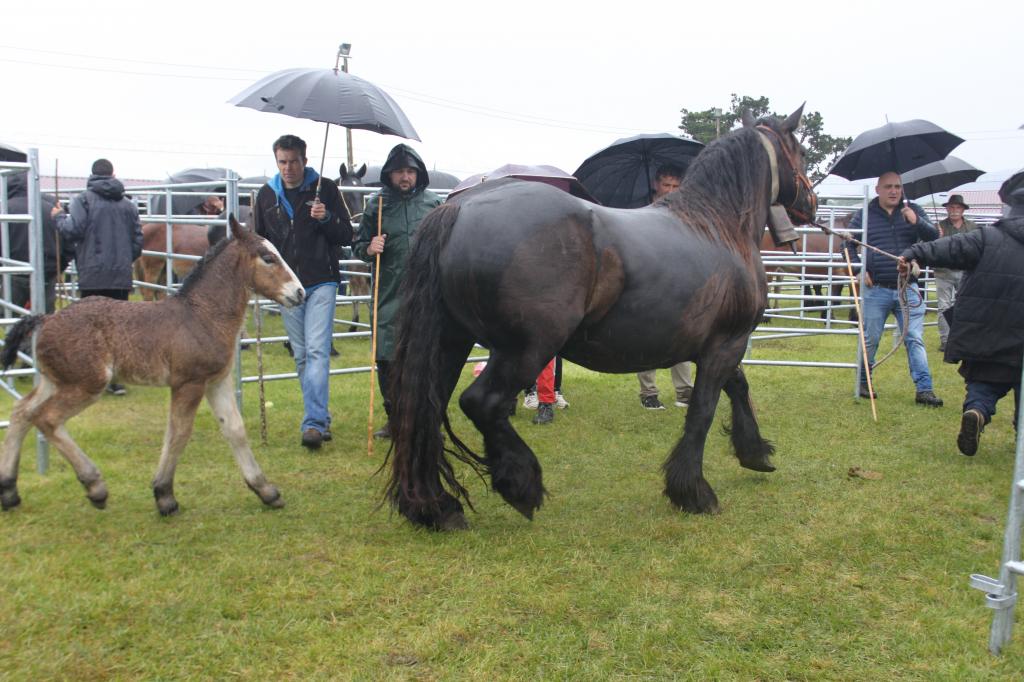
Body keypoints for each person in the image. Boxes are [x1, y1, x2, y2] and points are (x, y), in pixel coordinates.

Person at [898, 186, 1024, 455]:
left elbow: (951, 247)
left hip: (987, 330)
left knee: (984, 381)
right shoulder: (987, 235)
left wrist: (914, 252)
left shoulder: (988, 236)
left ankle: (976, 411)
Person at [252, 135, 352, 450]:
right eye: (282, 161)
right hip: (286, 286)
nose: (288, 168)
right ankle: (318, 416)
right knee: (301, 355)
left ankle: (313, 423)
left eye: (294, 161)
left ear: (304, 160)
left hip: (322, 279)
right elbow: (259, 243)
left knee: (318, 350)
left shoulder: (326, 190)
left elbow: (346, 234)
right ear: (276, 161)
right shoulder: (267, 195)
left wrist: (326, 218)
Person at [353, 144, 442, 439]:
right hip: (388, 292)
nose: (405, 177)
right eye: (399, 172)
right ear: (389, 175)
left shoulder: (433, 204)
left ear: (418, 174)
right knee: (388, 358)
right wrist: (369, 248)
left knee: (426, 357)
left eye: (410, 171)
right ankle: (395, 417)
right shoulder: (376, 206)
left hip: (425, 291)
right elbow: (358, 245)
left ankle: (429, 420)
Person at [851, 171, 942, 407]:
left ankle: (924, 389)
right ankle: (863, 382)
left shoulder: (914, 211)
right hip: (877, 288)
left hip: (908, 286)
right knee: (870, 338)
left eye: (898, 187)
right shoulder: (864, 215)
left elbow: (934, 238)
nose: (894, 191)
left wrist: (916, 221)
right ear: (878, 189)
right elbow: (847, 243)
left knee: (914, 338)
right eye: (889, 186)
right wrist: (858, 270)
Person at [54, 158, 143, 396]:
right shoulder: (128, 205)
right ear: (113, 174)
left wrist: (58, 218)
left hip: (92, 274)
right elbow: (137, 242)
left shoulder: (82, 200)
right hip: (121, 275)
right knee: (118, 329)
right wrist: (124, 261)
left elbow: (73, 230)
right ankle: (117, 381)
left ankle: (93, 378)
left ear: (92, 174)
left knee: (91, 330)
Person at [636, 164, 695, 410]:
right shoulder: (640, 213)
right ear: (656, 185)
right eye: (666, 185)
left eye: (675, 186)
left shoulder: (685, 214)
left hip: (678, 284)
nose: (670, 190)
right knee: (647, 338)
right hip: (648, 282)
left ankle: (684, 391)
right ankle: (648, 392)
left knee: (682, 337)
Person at [5, 171, 73, 313]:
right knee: (44, 319)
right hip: (46, 273)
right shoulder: (52, 210)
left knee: (10, 317)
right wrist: (59, 266)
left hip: (14, 273)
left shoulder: (5, 209)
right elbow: (68, 242)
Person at [933, 194, 977, 352]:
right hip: (943, 271)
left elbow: (979, 247)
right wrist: (936, 238)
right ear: (946, 209)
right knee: (943, 306)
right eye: (951, 207)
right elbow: (928, 246)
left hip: (965, 271)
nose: (954, 210)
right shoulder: (938, 227)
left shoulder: (973, 227)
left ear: (963, 210)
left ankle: (963, 338)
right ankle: (946, 340)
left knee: (965, 305)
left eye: (958, 207)